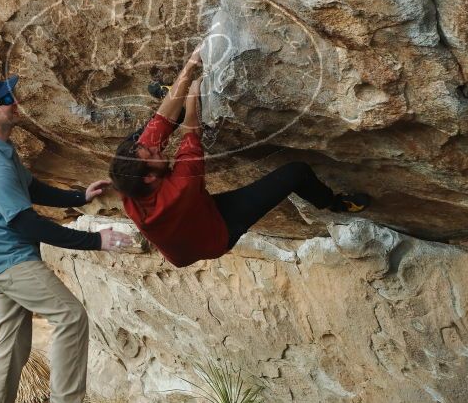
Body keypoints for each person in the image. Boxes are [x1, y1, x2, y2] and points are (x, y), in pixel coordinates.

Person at [0, 75, 132, 403]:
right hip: (9, 262)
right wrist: (95, 241)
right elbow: (27, 224)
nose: (15, 101)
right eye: (7, 98)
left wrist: (77, 197)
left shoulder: (0, 148)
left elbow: (30, 187)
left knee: (13, 341)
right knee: (70, 316)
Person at [109, 44, 370, 268]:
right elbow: (192, 129)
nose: (156, 148)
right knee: (297, 173)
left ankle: (173, 91)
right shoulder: (181, 187)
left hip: (188, 217)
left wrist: (190, 65)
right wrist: (192, 98)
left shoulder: (128, 176)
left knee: (156, 126)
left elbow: (162, 119)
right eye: (153, 153)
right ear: (149, 178)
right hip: (214, 232)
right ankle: (332, 203)